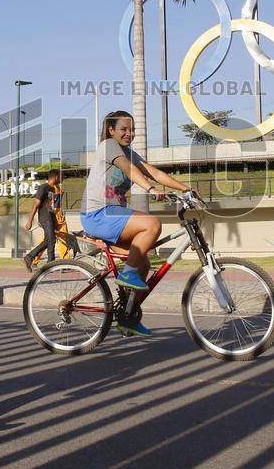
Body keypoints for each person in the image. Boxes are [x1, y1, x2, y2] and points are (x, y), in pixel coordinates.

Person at [79, 110, 192, 337]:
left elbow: (153, 172)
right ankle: (127, 275)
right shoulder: (108, 145)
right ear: (111, 130)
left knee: (144, 263)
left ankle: (127, 316)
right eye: (124, 129)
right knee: (151, 224)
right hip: (98, 213)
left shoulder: (129, 152)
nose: (129, 134)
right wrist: (149, 189)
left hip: (114, 214)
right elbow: (129, 171)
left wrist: (185, 189)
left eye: (132, 130)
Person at [22, 170, 64, 271]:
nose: (62, 179)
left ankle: (29, 257)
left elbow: (50, 206)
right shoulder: (43, 188)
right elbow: (36, 205)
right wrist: (30, 221)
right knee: (52, 240)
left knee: (48, 240)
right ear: (56, 177)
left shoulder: (52, 189)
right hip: (45, 217)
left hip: (50, 217)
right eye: (62, 177)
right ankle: (50, 263)